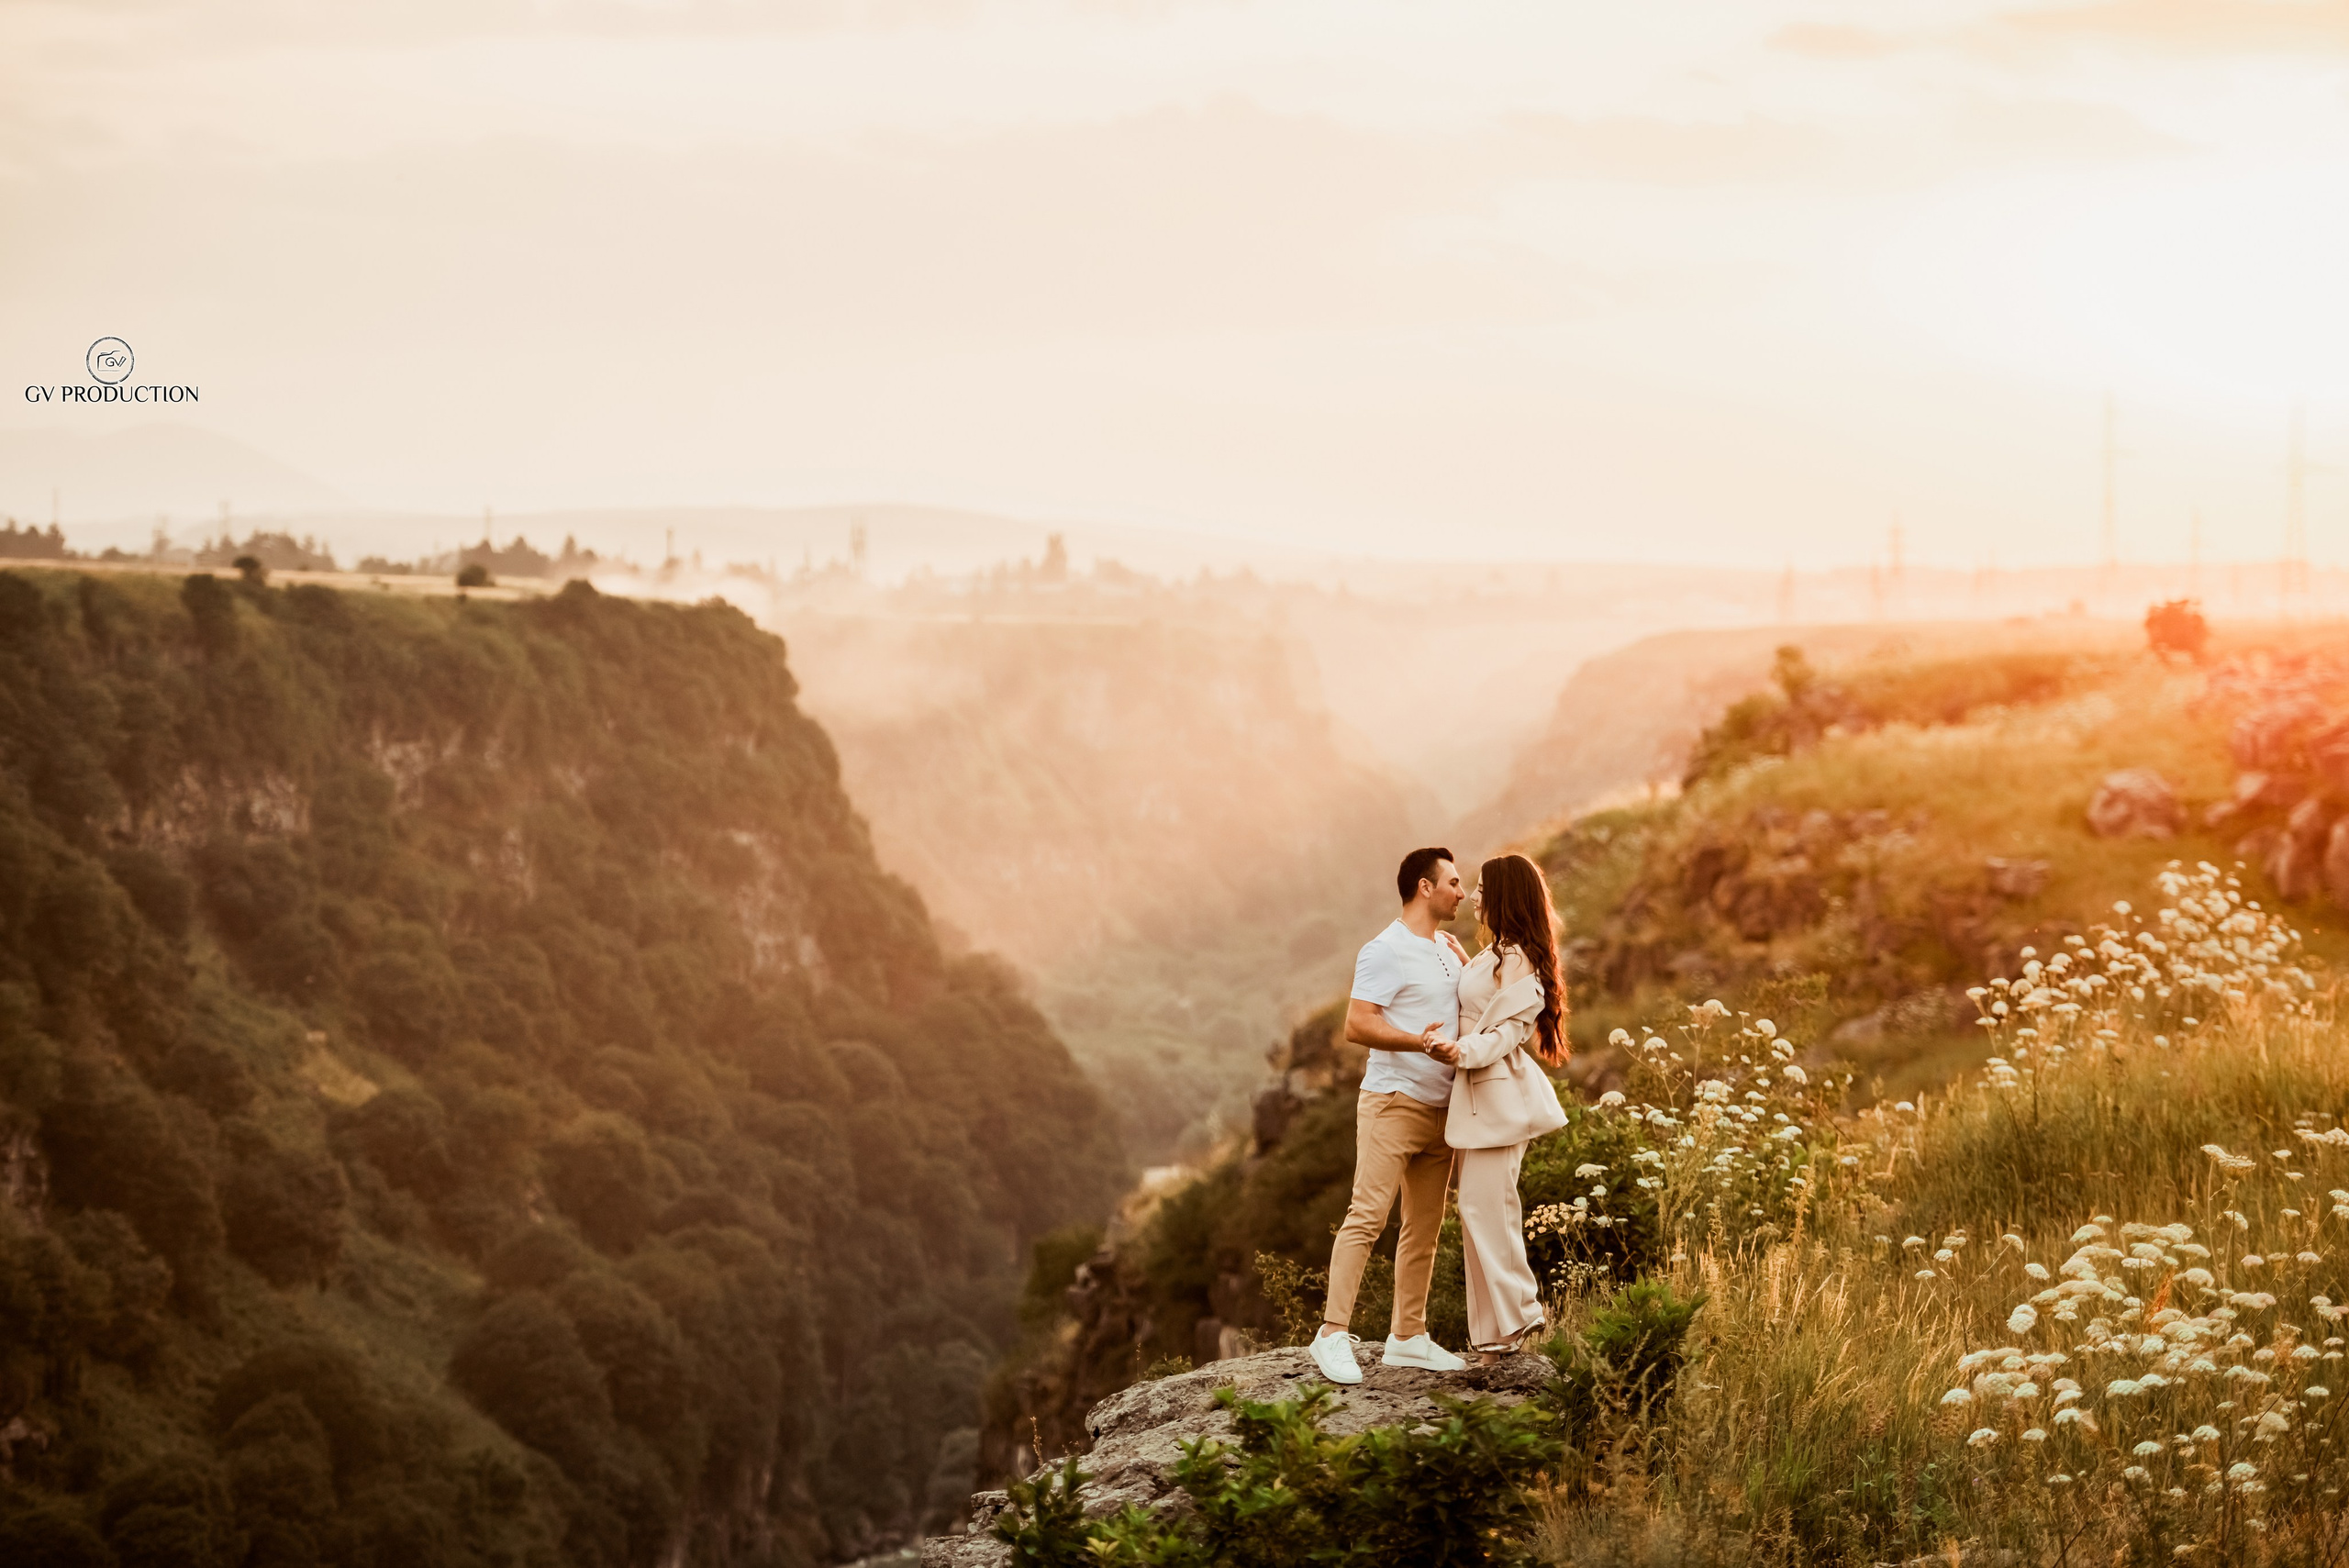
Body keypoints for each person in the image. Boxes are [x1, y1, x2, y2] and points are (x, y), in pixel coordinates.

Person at [1309, 847, 1475, 1385]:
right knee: (1367, 1217)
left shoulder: (1447, 947)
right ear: (1425, 887)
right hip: (1393, 1102)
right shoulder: (1384, 949)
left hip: (1442, 1109)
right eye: (1453, 882)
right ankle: (1332, 1334)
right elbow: (1357, 1024)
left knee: (1424, 1228)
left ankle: (1408, 1337)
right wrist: (1416, 1042)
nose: (1462, 892)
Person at [1446, 853, 1570, 1358]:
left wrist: (1459, 1051)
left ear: (1504, 896)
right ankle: (1493, 1335)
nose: (1474, 896)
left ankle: (1520, 1315)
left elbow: (1506, 1032)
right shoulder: (1495, 953)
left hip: (1497, 1097)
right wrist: (1464, 961)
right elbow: (1483, 1005)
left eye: (1482, 888)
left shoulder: (1516, 957)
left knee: (1487, 1206)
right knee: (1477, 1208)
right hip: (1477, 1099)